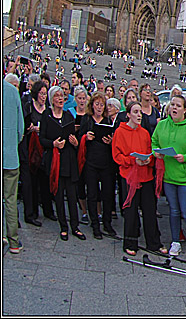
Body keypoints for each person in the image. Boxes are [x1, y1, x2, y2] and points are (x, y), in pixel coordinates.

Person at [152, 95, 186, 259]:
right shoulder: (161, 125)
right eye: (172, 104)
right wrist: (157, 153)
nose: (174, 108)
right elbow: (154, 143)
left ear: (185, 109)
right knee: (173, 211)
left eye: (178, 105)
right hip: (169, 176)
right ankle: (175, 241)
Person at [111, 101, 166, 256]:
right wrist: (132, 160)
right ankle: (130, 242)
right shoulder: (120, 132)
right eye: (135, 112)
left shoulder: (144, 133)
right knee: (131, 211)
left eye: (140, 112)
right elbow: (117, 156)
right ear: (128, 114)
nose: (139, 115)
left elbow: (150, 151)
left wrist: (150, 160)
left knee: (149, 210)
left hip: (145, 175)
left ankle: (154, 243)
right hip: (129, 176)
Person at [40, 84, 84, 241]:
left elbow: (74, 137)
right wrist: (54, 144)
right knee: (59, 196)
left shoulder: (68, 116)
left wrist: (74, 142)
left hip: (69, 159)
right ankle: (63, 227)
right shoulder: (47, 115)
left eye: (62, 96)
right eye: (57, 96)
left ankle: (75, 226)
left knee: (72, 195)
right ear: (52, 99)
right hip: (55, 159)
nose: (60, 99)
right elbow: (42, 139)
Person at [79, 91, 118, 240]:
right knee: (92, 193)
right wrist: (85, 137)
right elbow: (79, 138)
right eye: (97, 104)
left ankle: (107, 223)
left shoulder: (108, 121)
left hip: (106, 162)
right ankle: (95, 224)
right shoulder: (87, 119)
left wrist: (110, 142)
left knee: (108, 194)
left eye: (102, 104)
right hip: (91, 161)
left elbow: (114, 142)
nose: (100, 107)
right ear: (92, 105)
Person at [21, 81, 54, 226]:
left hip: (44, 149)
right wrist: (32, 128)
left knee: (45, 180)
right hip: (31, 148)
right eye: (41, 93)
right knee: (32, 181)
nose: (43, 96)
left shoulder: (48, 109)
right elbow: (24, 127)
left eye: (45, 94)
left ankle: (48, 210)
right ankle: (31, 212)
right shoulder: (28, 106)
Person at [3, 73, 25, 254]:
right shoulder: (12, 91)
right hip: (10, 156)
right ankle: (13, 241)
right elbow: (20, 128)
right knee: (10, 200)